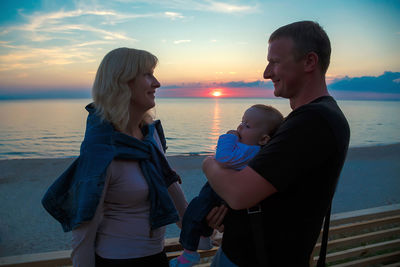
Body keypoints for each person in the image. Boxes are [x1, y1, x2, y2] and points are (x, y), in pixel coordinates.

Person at [203, 21, 350, 267]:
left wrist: (209, 163)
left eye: (275, 61)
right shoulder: (312, 118)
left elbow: (240, 193)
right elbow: (281, 193)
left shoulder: (313, 121)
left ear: (309, 62)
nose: (266, 72)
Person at [42, 47, 188, 267]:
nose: (157, 83)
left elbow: (171, 188)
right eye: (147, 75)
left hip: (156, 257)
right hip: (118, 260)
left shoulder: (149, 134)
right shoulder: (102, 148)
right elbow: (85, 227)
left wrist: (196, 226)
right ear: (123, 82)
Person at [170, 104, 284, 267]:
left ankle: (189, 252)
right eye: (242, 122)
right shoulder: (251, 150)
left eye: (247, 126)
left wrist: (229, 136)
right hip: (223, 189)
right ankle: (203, 238)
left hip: (220, 190)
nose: (239, 127)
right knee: (203, 211)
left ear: (263, 139)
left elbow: (222, 157)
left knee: (194, 209)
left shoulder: (250, 150)